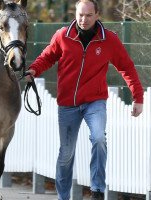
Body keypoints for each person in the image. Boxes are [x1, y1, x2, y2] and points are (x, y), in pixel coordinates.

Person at [26, 0, 144, 200]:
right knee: (66, 154)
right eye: (80, 14)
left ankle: (97, 190)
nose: (83, 19)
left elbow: (127, 67)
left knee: (99, 138)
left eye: (89, 15)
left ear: (97, 15)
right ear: (75, 14)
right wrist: (33, 70)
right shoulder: (63, 36)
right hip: (67, 104)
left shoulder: (109, 40)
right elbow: (47, 57)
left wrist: (138, 97)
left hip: (94, 102)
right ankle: (63, 197)